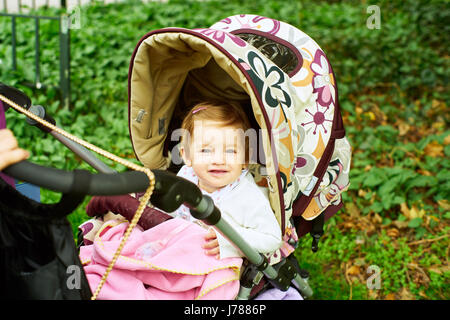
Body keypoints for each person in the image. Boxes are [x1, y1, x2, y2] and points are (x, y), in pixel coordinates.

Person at [172, 100, 282, 259]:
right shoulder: (186, 176)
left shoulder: (247, 197)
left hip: (215, 260)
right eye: (206, 150)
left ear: (245, 159)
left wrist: (228, 241)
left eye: (230, 151)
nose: (218, 160)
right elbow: (172, 210)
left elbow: (272, 239)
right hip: (180, 246)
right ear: (187, 155)